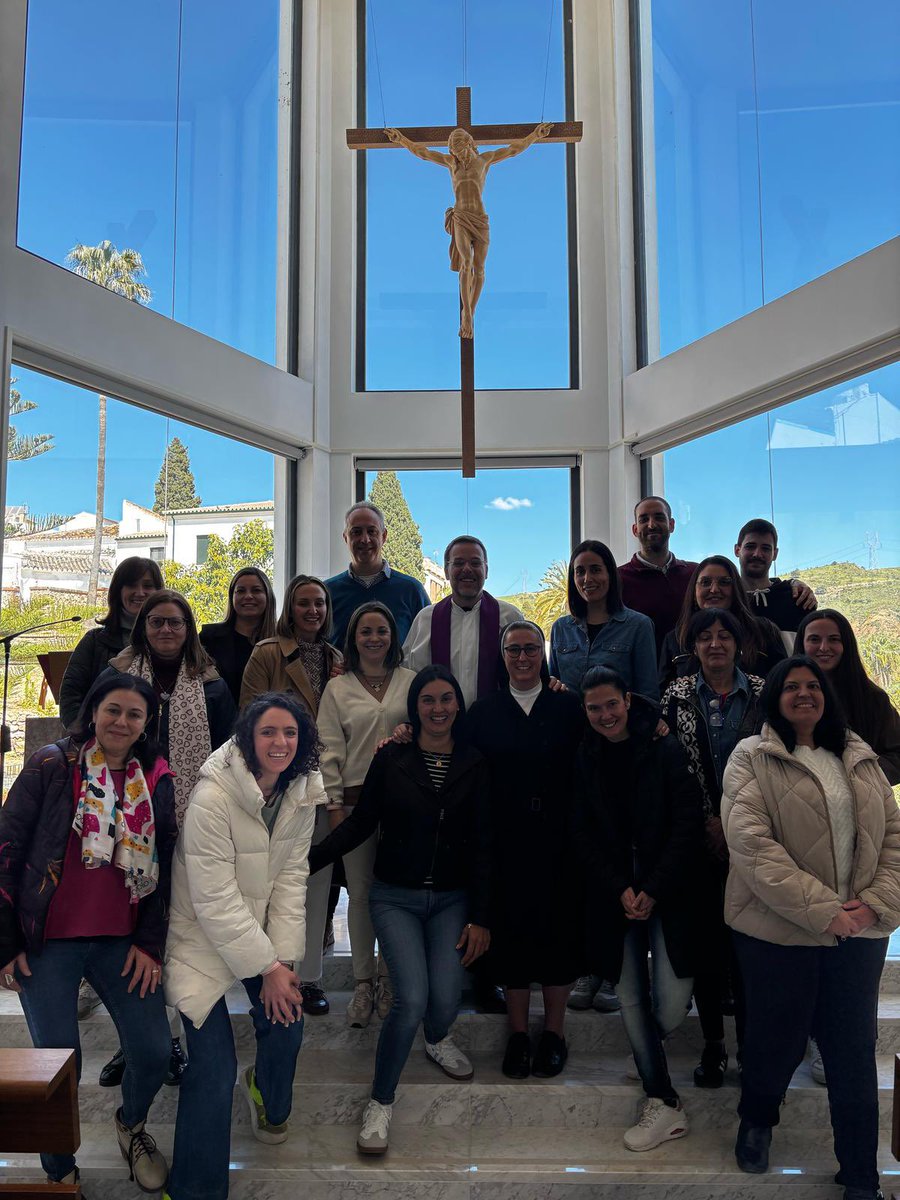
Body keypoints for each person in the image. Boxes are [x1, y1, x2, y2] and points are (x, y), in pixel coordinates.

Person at [722, 655, 900, 1197]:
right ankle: (757, 1120)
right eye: (791, 686)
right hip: (778, 933)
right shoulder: (751, 757)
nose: (804, 693)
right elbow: (754, 849)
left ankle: (860, 1174)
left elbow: (893, 840)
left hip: (859, 935)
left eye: (812, 685)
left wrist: (874, 906)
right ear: (773, 697)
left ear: (827, 694)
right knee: (776, 1041)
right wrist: (827, 911)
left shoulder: (860, 758)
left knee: (852, 1054)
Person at [0, 673, 175, 1192]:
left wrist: (149, 942)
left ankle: (132, 1124)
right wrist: (5, 945)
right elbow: (6, 852)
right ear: (93, 711)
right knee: (58, 1067)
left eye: (134, 714)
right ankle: (59, 1172)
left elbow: (165, 864)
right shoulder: (53, 766)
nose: (122, 722)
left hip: (121, 941)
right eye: (113, 710)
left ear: (147, 724)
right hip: (48, 941)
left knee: (153, 1050)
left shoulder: (157, 777)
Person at [307, 666, 492, 1156]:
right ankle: (380, 1101)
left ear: (458, 705)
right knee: (410, 997)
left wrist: (482, 917)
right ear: (415, 708)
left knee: (446, 997)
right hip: (395, 897)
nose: (437, 709)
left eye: (446, 699)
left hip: (452, 899)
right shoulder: (393, 758)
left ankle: (436, 1038)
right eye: (427, 701)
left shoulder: (475, 762)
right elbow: (362, 822)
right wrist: (308, 862)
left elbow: (484, 845)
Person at [164, 693, 324, 1200]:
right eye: (268, 732)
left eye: (290, 733)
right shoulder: (211, 797)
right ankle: (192, 1191)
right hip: (201, 941)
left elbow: (292, 879)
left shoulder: (300, 792)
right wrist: (269, 966)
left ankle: (268, 1096)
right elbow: (214, 902)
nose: (280, 743)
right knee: (213, 1072)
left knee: (287, 1027)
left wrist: (283, 963)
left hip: (259, 940)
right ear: (247, 739)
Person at [96, 588, 236, 1087]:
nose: (166, 630)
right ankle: (134, 1042)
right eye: (156, 622)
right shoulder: (117, 679)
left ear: (189, 627)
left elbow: (228, 758)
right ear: (143, 627)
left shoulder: (214, 686)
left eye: (176, 622)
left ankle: (172, 1037)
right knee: (129, 933)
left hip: (192, 824)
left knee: (173, 937)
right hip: (125, 822)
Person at [574, 667, 703, 1151]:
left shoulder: (661, 746)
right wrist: (620, 891)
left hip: (669, 893)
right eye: (594, 708)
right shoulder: (584, 756)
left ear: (627, 700)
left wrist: (652, 887)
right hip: (614, 900)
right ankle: (663, 1100)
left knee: (670, 999)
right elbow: (580, 831)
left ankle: (648, 1049)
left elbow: (687, 820)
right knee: (630, 996)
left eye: (611, 704)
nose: (605, 715)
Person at [467, 622, 585, 1079]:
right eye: (513, 649)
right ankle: (518, 1033)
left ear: (543, 653)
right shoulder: (484, 711)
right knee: (512, 936)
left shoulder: (567, 705)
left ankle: (554, 1033)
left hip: (559, 839)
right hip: (505, 839)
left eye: (530, 648)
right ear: (502, 655)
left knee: (558, 934)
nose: (522, 657)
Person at [661, 609, 765, 1090]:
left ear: (740, 644)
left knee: (747, 951)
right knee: (706, 950)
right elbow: (670, 764)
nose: (716, 644)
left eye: (725, 635)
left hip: (755, 841)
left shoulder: (765, 694)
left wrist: (733, 824)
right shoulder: (676, 695)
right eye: (706, 637)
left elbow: (773, 767)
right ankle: (713, 1046)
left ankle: (750, 1048)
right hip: (695, 838)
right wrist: (706, 819)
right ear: (694, 645)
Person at [241, 574, 343, 1015]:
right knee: (273, 882)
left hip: (322, 783)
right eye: (304, 603)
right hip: (278, 783)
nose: (313, 611)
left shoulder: (338, 657)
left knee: (315, 883)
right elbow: (249, 717)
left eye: (319, 603)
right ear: (290, 607)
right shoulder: (267, 653)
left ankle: (312, 978)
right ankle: (274, 970)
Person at [316, 601, 417, 1027]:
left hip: (405, 809)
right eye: (365, 631)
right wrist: (335, 805)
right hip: (355, 807)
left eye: (382, 630)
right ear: (352, 639)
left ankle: (390, 978)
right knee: (359, 894)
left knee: (394, 895)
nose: (374, 638)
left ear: (393, 637)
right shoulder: (338, 689)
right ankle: (362, 983)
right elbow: (327, 749)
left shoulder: (411, 681)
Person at [385, 122, 553, 339]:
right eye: (454, 151)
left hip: (480, 220)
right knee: (466, 264)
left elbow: (514, 149)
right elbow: (423, 153)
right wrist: (401, 141)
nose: (458, 155)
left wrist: (535, 135)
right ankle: (466, 312)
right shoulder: (450, 163)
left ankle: (471, 310)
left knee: (480, 268)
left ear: (470, 144)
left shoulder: (484, 161)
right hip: (461, 217)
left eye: (461, 150)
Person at [403, 535, 523, 709]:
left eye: (475, 563)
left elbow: (529, 669)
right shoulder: (425, 620)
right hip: (440, 728)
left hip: (496, 728)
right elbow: (407, 676)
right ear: (446, 571)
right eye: (458, 563)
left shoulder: (509, 618)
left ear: (486, 570)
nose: (467, 569)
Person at [796, 608, 900, 786]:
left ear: (846, 645)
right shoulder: (786, 698)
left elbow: (897, 755)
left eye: (834, 639)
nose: (823, 647)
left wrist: (858, 778)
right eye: (814, 639)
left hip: (862, 806)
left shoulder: (872, 699)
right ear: (801, 644)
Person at [59, 556, 163, 727]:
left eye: (148, 586)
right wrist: (92, 739)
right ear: (118, 591)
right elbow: (71, 699)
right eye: (131, 585)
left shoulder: (171, 642)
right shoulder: (94, 642)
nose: (140, 592)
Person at [549, 539, 658, 700]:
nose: (587, 579)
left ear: (610, 574)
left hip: (619, 724)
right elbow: (554, 688)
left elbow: (647, 695)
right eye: (580, 571)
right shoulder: (560, 628)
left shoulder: (639, 626)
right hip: (569, 724)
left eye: (595, 570)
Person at [657, 556, 786, 691]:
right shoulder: (675, 639)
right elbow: (663, 697)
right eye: (705, 582)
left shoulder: (763, 632)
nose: (714, 589)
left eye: (724, 582)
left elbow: (782, 686)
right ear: (694, 590)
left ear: (736, 588)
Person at [325, 502, 430, 649]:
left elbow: (428, 643)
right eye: (356, 532)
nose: (365, 539)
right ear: (345, 538)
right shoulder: (327, 592)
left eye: (372, 531)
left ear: (384, 536)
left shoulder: (412, 590)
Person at [618, 497, 697, 658]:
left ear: (672, 524)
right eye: (644, 519)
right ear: (635, 530)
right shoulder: (617, 579)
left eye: (659, 517)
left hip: (692, 676)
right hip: (638, 678)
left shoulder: (696, 574)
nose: (651, 525)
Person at [199, 567, 277, 705]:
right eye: (241, 591)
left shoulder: (282, 643)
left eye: (256, 590)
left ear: (268, 596)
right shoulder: (208, 638)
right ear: (232, 597)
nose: (248, 596)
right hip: (218, 723)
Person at [734, 519, 816, 648]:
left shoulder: (798, 599)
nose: (757, 554)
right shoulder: (727, 598)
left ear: (775, 554)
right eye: (750, 546)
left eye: (765, 548)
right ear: (737, 550)